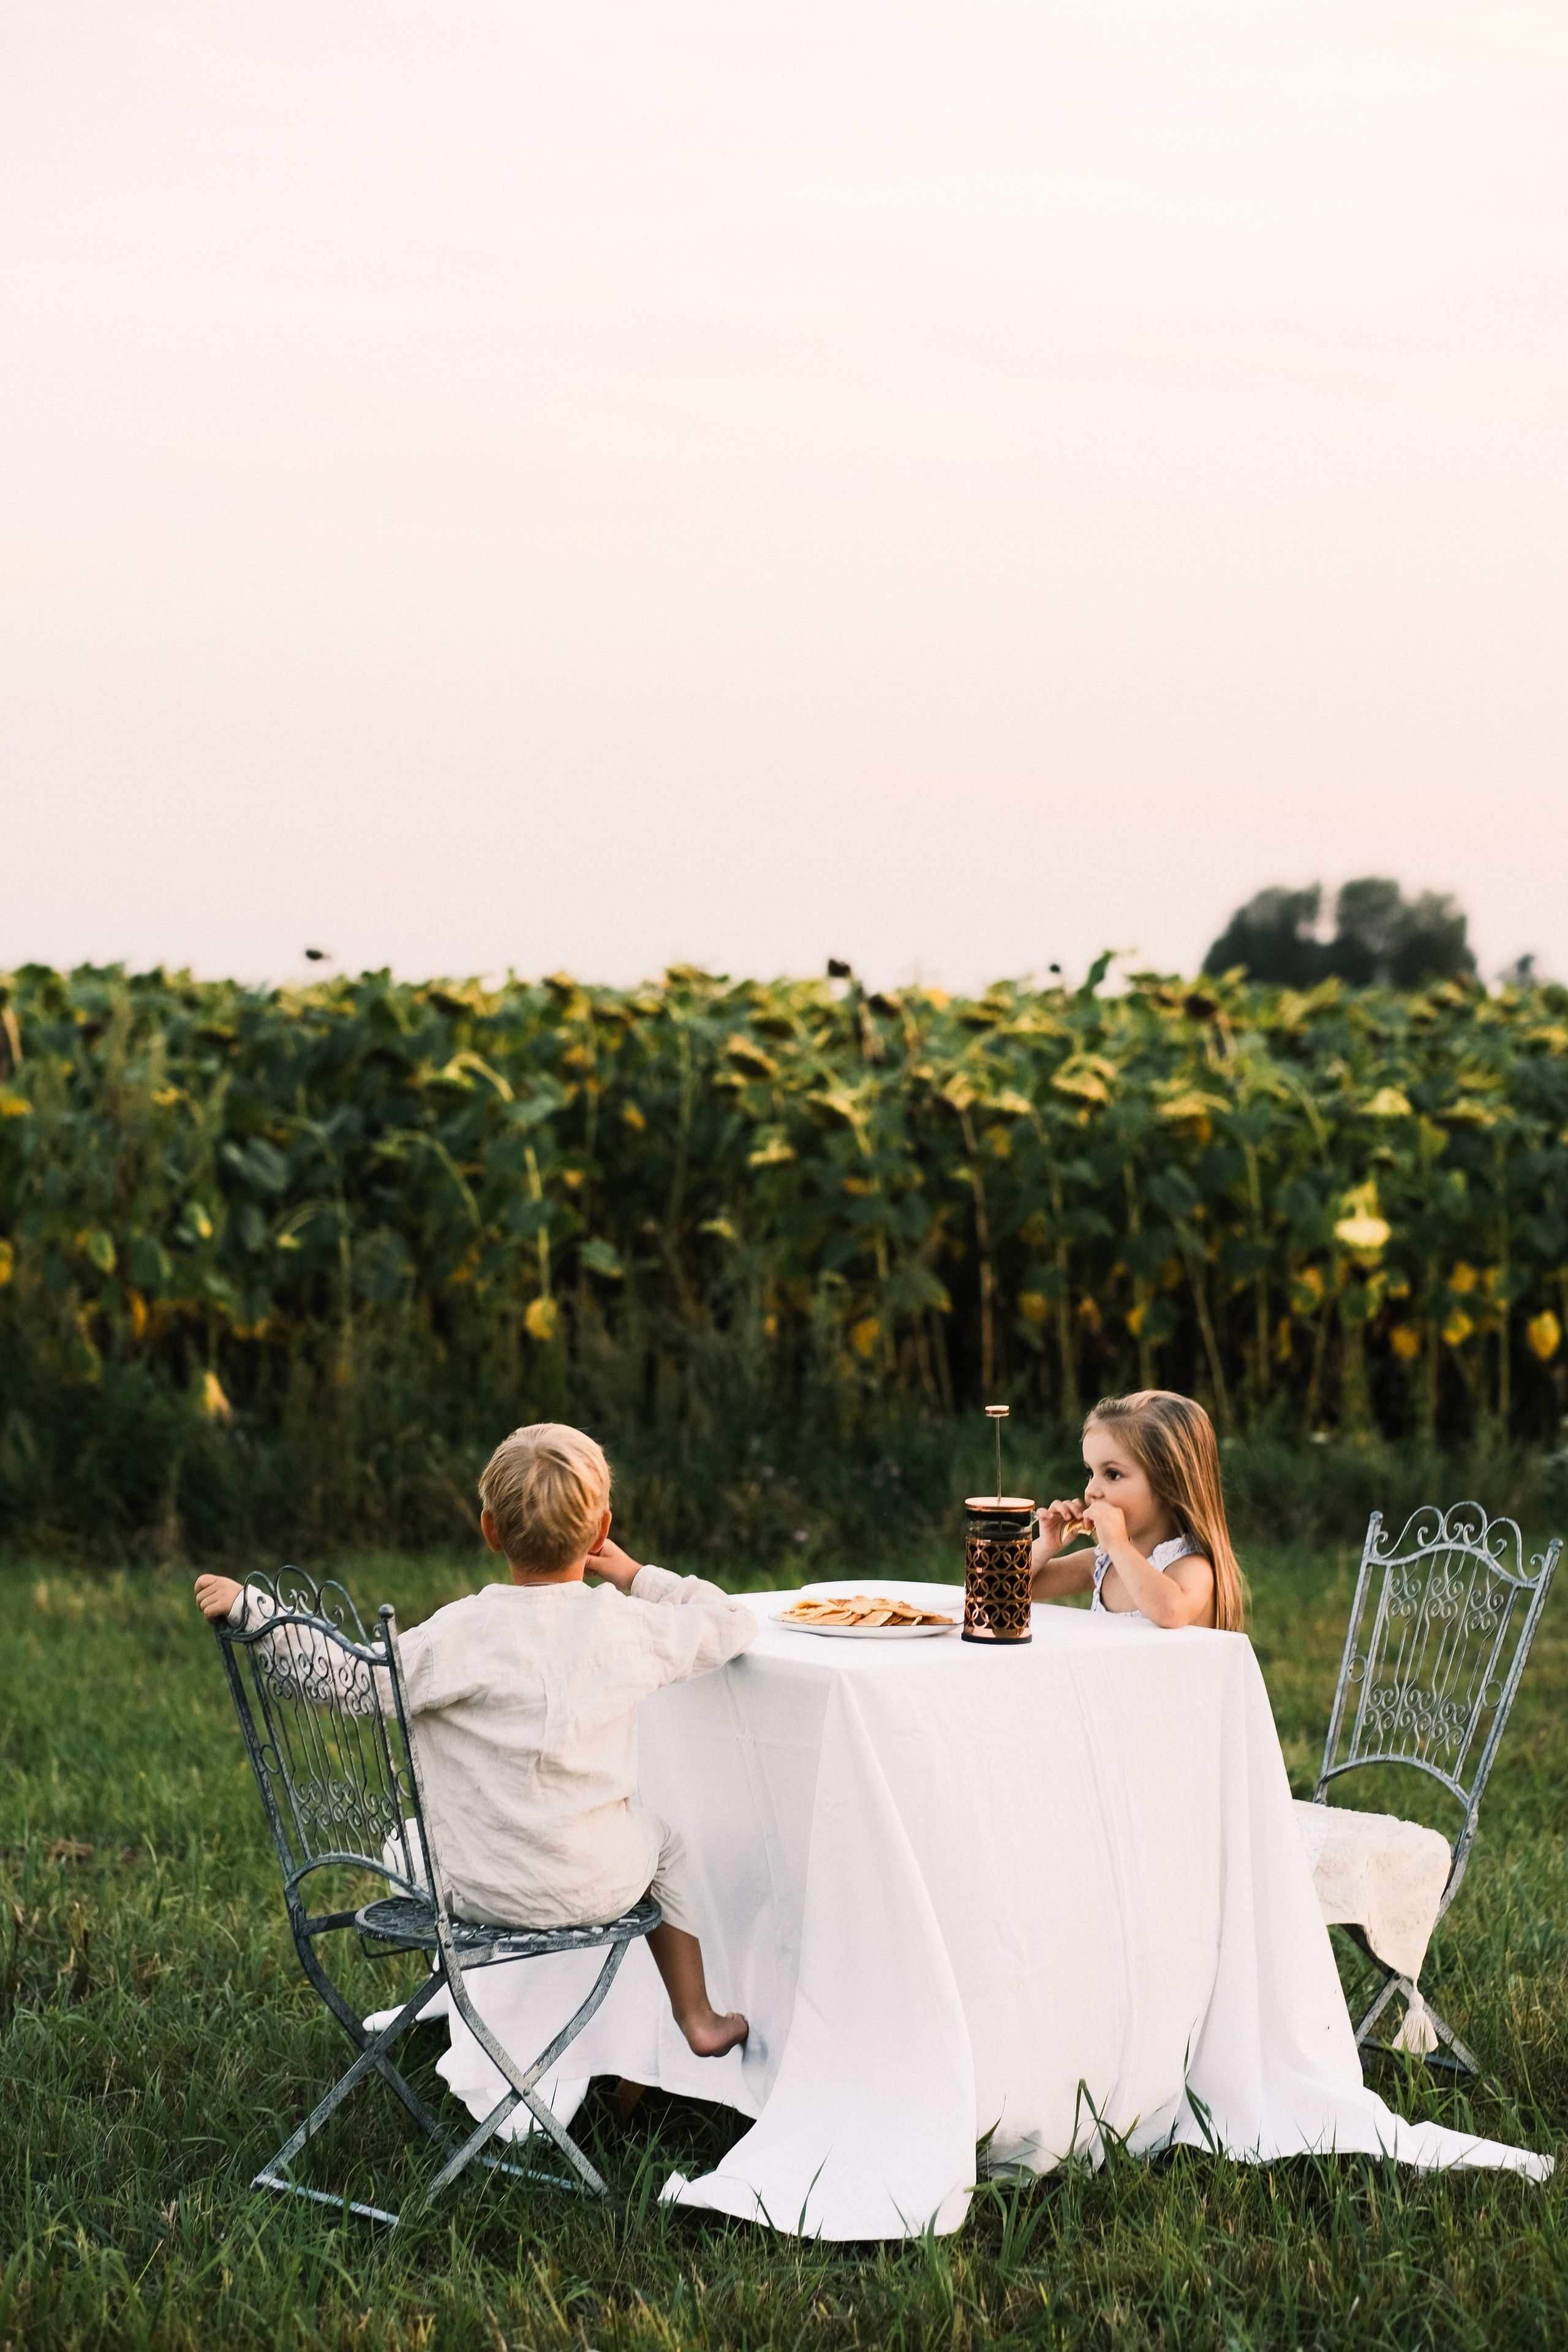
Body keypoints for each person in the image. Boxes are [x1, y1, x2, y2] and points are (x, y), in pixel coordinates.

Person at [194, 1421, 753, 2059]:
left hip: (471, 1893)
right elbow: (731, 1622)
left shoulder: (457, 1633)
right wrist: (634, 1574)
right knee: (665, 1846)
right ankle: (697, 2017)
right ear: (601, 1530)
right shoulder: (629, 1624)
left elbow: (348, 1677)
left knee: (403, 1841)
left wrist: (255, 1610)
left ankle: (464, 2001)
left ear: (490, 1530)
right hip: (598, 1883)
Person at [1028, 1390, 1245, 1631]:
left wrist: (1119, 1545)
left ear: (1170, 1486)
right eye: (1090, 1473)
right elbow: (1008, 1589)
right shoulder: (1102, 1563)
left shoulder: (1191, 1566)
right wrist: (1046, 1546)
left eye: (1113, 1474)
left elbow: (1170, 1612)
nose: (1091, 1491)